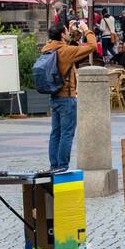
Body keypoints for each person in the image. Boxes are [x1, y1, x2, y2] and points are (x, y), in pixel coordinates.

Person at [41, 21, 99, 171]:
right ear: (61, 35)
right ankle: (62, 166)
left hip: (54, 96)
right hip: (67, 97)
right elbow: (93, 46)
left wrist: (72, 33)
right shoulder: (65, 51)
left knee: (56, 133)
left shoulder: (47, 49)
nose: (68, 33)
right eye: (66, 31)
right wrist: (86, 30)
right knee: (67, 133)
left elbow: (67, 45)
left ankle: (54, 165)